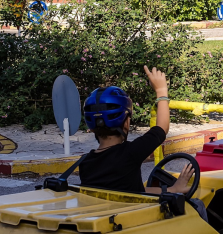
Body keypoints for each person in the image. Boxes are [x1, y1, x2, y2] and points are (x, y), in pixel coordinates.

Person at [80, 66, 194, 194]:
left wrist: (172, 189)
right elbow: (161, 129)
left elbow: (131, 191)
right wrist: (161, 91)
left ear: (92, 127)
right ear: (126, 122)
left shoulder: (85, 162)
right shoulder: (131, 153)